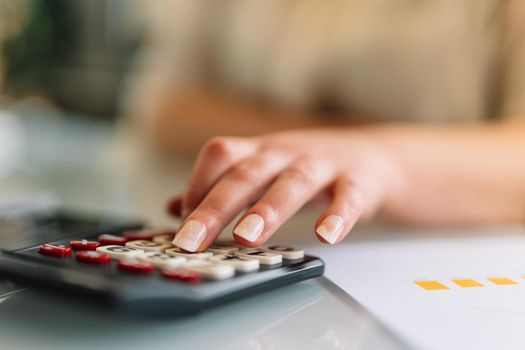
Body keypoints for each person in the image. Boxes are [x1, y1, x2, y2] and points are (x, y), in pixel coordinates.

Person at [123, 0, 525, 252]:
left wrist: (381, 160)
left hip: (429, 253)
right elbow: (164, 106)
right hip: (281, 239)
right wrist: (316, 149)